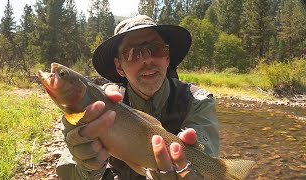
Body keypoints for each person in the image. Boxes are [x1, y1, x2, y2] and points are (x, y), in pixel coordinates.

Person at [56, 15, 219, 180]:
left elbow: (209, 164)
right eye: (133, 53)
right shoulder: (99, 104)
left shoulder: (198, 101)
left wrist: (195, 176)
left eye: (156, 49)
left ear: (167, 57)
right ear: (119, 67)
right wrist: (87, 168)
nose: (148, 59)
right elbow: (68, 173)